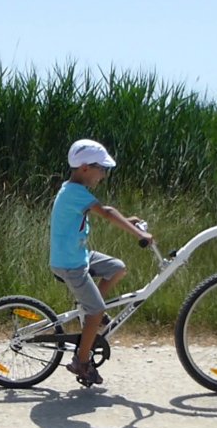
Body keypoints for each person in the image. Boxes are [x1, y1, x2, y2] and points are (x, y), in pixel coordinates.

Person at [50, 139, 153, 385]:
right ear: (85, 168)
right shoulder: (74, 192)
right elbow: (107, 212)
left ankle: (88, 312)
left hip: (79, 257)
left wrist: (128, 220)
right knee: (97, 311)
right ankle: (81, 362)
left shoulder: (75, 191)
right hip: (69, 263)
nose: (104, 175)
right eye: (102, 169)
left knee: (117, 268)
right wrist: (139, 234)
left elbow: (105, 212)